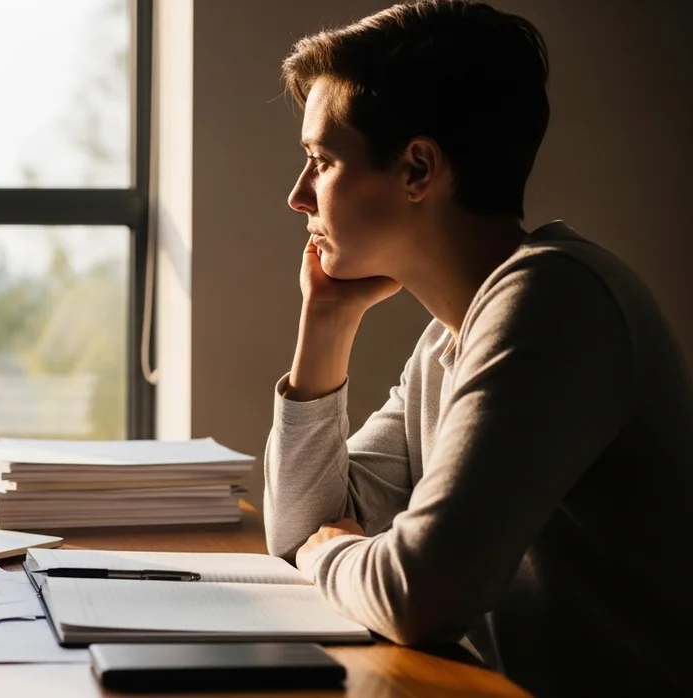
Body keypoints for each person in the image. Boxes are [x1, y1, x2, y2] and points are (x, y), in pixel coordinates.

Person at [263, 1, 693, 695]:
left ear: (417, 170)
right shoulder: (449, 337)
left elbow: (419, 593)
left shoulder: (554, 302)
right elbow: (296, 534)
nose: (297, 197)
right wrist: (327, 323)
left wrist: (333, 553)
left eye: (320, 161)